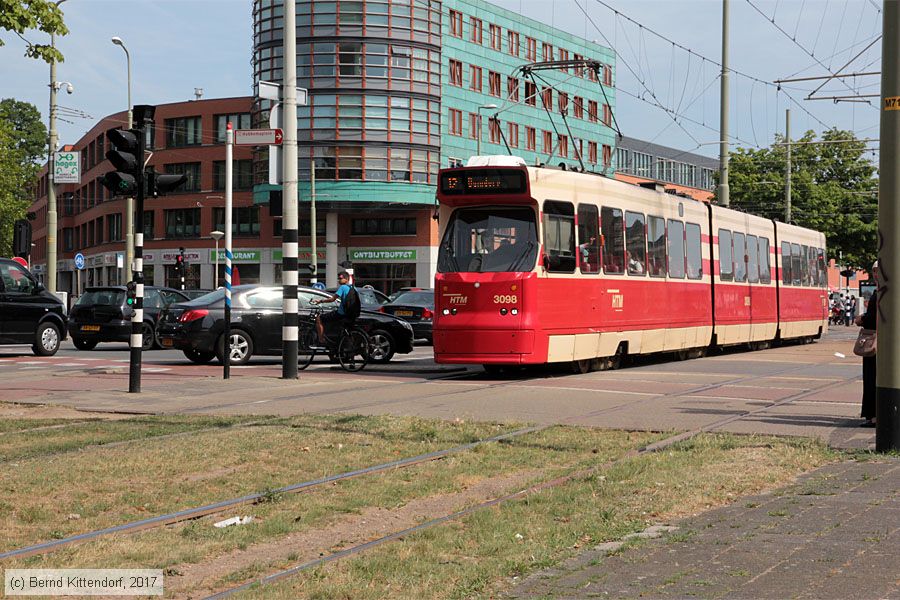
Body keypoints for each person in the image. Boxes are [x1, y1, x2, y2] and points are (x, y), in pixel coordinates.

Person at [854, 262, 878, 427]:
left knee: (872, 377)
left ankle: (875, 416)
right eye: (874, 271)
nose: (876, 275)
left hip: (874, 342)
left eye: (878, 271)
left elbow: (873, 318)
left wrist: (861, 319)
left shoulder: (880, 293)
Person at [312, 270, 355, 346]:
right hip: (350, 313)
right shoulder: (353, 288)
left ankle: (321, 340)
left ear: (346, 279)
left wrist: (320, 301)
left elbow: (332, 299)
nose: (339, 280)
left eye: (340, 278)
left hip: (341, 313)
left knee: (319, 318)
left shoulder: (343, 287)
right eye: (338, 278)